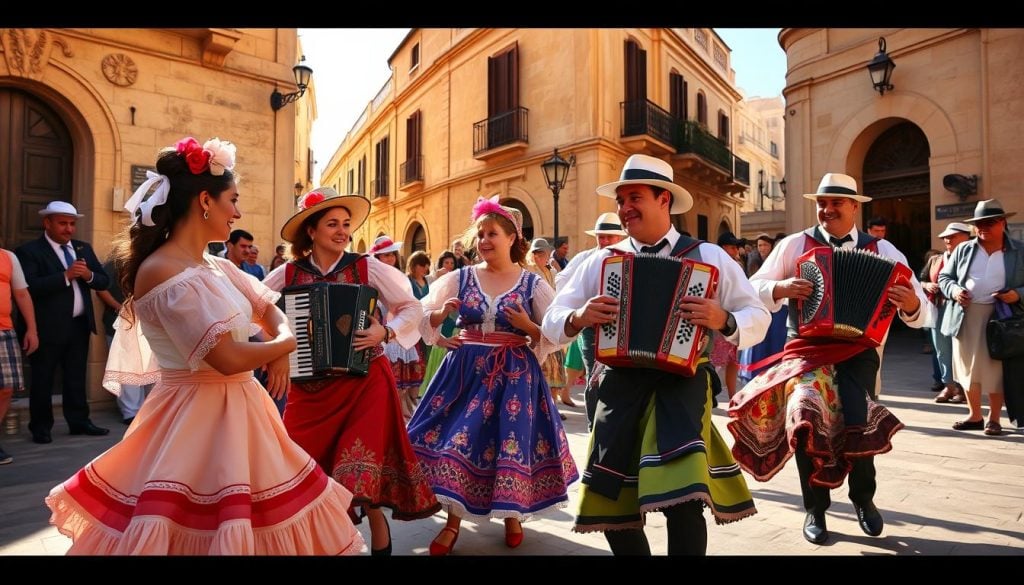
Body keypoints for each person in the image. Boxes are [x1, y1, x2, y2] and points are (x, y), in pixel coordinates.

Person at [45, 137, 363, 555]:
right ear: (205, 202)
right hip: (193, 419)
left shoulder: (217, 265)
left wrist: (278, 340)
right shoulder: (160, 270)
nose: (238, 211)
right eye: (233, 199)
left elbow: (269, 308)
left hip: (242, 412)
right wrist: (285, 344)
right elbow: (228, 358)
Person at [542, 154, 768, 555]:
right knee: (611, 500)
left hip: (682, 386)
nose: (625, 208)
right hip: (618, 386)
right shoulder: (599, 260)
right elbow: (553, 319)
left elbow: (757, 314)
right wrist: (578, 316)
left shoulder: (710, 257)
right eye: (621, 199)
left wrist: (724, 318)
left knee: (684, 501)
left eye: (635, 197)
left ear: (664, 199)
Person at [730, 172, 929, 545]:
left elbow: (922, 309)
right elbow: (753, 287)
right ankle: (815, 509)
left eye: (836, 202)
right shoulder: (794, 244)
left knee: (859, 420)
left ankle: (863, 500)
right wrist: (780, 287)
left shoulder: (883, 251)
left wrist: (913, 304)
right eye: (822, 202)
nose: (827, 209)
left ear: (855, 206)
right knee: (805, 419)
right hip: (807, 349)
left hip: (858, 351)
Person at [264, 189, 440, 555]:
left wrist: (385, 331)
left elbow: (412, 307)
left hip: (366, 382)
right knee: (301, 465)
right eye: (332, 224)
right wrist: (276, 349)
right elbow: (253, 309)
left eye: (346, 224)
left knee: (359, 465)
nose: (342, 231)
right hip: (309, 389)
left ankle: (375, 519)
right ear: (310, 231)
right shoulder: (288, 274)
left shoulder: (368, 267)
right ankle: (323, 539)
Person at [408, 195, 578, 556]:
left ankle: (511, 516)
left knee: (504, 444)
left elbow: (555, 334)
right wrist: (439, 322)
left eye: (493, 234)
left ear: (513, 238)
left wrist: (526, 324)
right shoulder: (461, 276)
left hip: (513, 373)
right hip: (464, 372)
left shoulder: (533, 284)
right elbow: (421, 313)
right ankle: (453, 523)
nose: (484, 240)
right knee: (458, 443)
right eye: (481, 234)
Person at [15, 201, 111, 444]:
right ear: (47, 223)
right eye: (62, 223)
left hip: (78, 326)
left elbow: (103, 281)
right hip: (46, 328)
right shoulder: (29, 251)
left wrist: (88, 275)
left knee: (76, 377)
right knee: (43, 378)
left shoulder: (83, 248)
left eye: (72, 224)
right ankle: (41, 427)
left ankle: (79, 422)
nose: (68, 229)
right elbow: (30, 288)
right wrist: (65, 276)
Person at [939, 199, 1024, 434]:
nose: (984, 227)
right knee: (967, 367)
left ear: (1003, 222)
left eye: (990, 222)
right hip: (965, 315)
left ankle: (994, 418)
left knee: (995, 369)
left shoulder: (1019, 251)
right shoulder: (964, 249)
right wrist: (955, 291)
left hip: (1001, 317)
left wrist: (1017, 294)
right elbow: (945, 278)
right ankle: (974, 415)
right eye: (979, 224)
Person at [555, 212, 628, 428]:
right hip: (591, 328)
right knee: (594, 377)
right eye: (601, 236)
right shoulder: (584, 258)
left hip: (622, 328)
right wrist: (580, 306)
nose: (604, 241)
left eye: (609, 237)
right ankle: (594, 427)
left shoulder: (629, 256)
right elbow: (561, 282)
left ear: (619, 237)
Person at [97, 259, 153, 425]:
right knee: (128, 368)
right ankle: (131, 412)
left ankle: (149, 410)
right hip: (122, 323)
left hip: (148, 324)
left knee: (151, 368)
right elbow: (101, 288)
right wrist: (119, 308)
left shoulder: (153, 259)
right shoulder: (115, 262)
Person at [923, 222, 972, 404]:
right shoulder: (935, 260)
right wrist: (928, 285)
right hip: (938, 307)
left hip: (962, 308)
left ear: (966, 236)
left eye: (952, 236)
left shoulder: (972, 257)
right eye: (945, 237)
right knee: (942, 349)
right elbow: (920, 280)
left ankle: (962, 387)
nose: (947, 239)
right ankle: (948, 385)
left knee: (960, 350)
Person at [0, 245, 39, 465]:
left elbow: (22, 294)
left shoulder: (8, 257)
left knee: (5, 389)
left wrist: (32, 329)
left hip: (4, 330)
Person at [525, 237, 572, 415]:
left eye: (545, 253)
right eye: (542, 253)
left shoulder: (551, 271)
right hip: (538, 325)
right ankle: (542, 408)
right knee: (542, 370)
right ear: (536, 255)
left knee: (556, 369)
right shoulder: (529, 271)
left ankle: (552, 407)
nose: (545, 257)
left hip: (552, 323)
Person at [737, 234, 789, 388]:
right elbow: (752, 283)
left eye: (765, 245)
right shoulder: (754, 260)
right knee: (760, 343)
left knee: (776, 342)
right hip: (759, 305)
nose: (762, 248)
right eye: (759, 245)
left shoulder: (777, 261)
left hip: (779, 308)